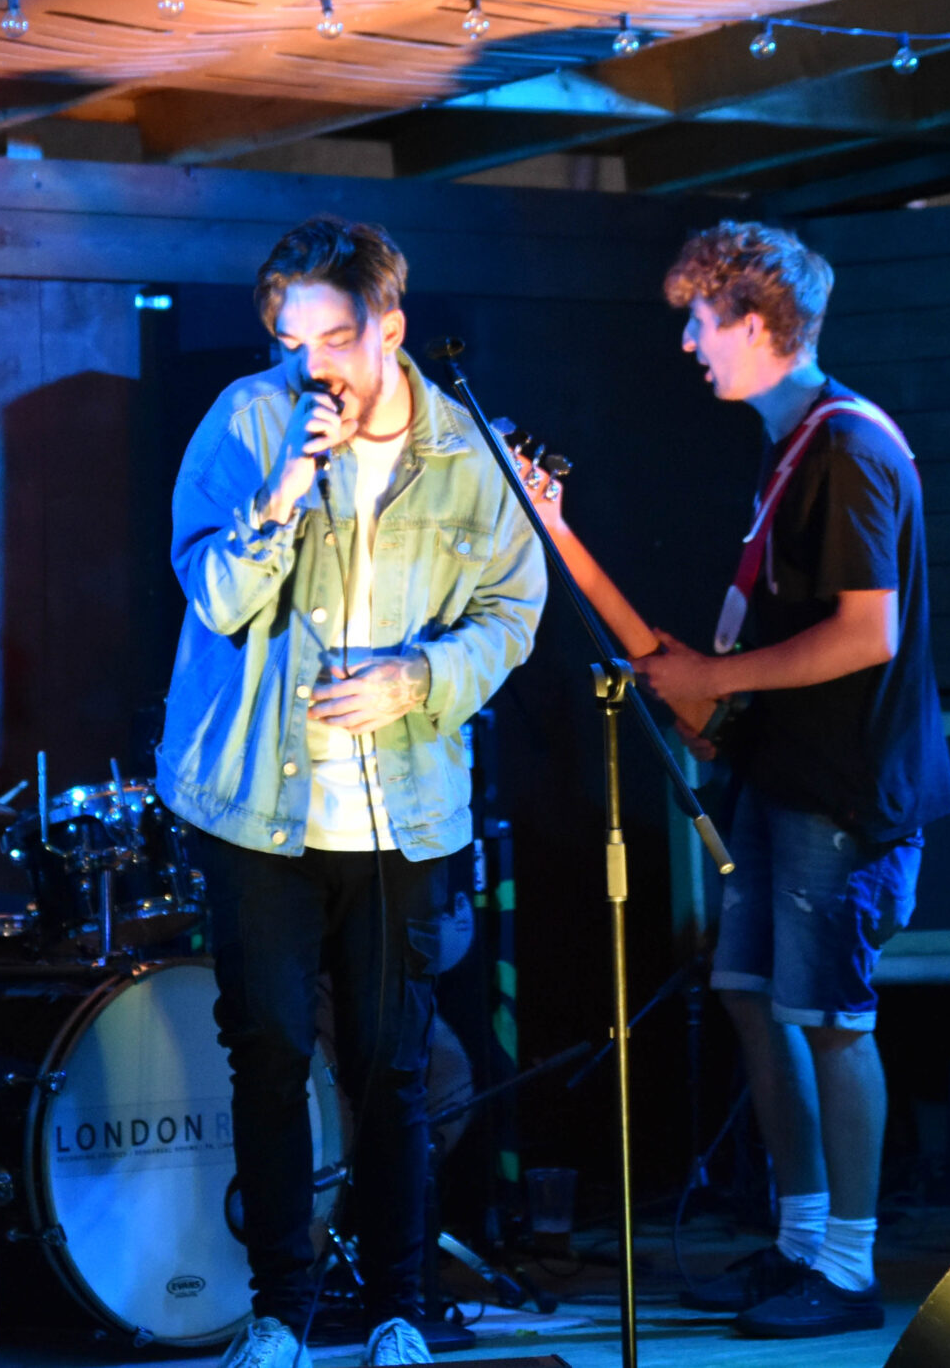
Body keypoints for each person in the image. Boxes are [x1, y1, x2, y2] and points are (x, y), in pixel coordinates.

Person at [542, 222, 950, 1339]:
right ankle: (801, 1242)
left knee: (831, 1016)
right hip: (786, 773)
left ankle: (849, 1266)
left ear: (760, 324)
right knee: (752, 994)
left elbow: (868, 633)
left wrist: (718, 678)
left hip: (844, 786)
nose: (687, 343)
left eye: (701, 320)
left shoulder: (848, 448)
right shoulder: (796, 444)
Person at [158, 215, 544, 1368]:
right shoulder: (246, 420)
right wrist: (285, 487)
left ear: (390, 326)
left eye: (333, 337)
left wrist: (419, 677)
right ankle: (278, 1312)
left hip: (401, 804)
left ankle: (396, 1310)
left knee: (392, 1064)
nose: (311, 362)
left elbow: (513, 611)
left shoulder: (467, 448)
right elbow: (216, 597)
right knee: (269, 1053)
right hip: (254, 803)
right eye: (293, 340)